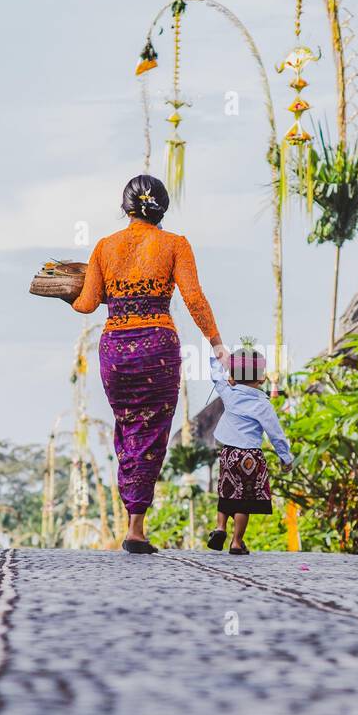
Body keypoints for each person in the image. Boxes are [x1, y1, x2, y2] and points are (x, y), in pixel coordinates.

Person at [72, 175, 227, 554]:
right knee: (152, 432)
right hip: (157, 346)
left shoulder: (105, 247)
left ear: (125, 207)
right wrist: (217, 343)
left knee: (128, 426)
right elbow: (194, 299)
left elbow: (87, 304)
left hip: (116, 350)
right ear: (163, 207)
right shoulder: (175, 244)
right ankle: (136, 527)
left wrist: (66, 291)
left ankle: (133, 518)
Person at [206, 346, 293, 556]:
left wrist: (218, 355)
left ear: (233, 377)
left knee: (226, 490)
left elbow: (215, 375)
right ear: (262, 379)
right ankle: (237, 542)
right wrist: (286, 457)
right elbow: (276, 434)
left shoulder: (229, 393)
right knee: (243, 499)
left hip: (229, 454)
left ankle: (220, 528)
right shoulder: (264, 404)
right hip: (250, 457)